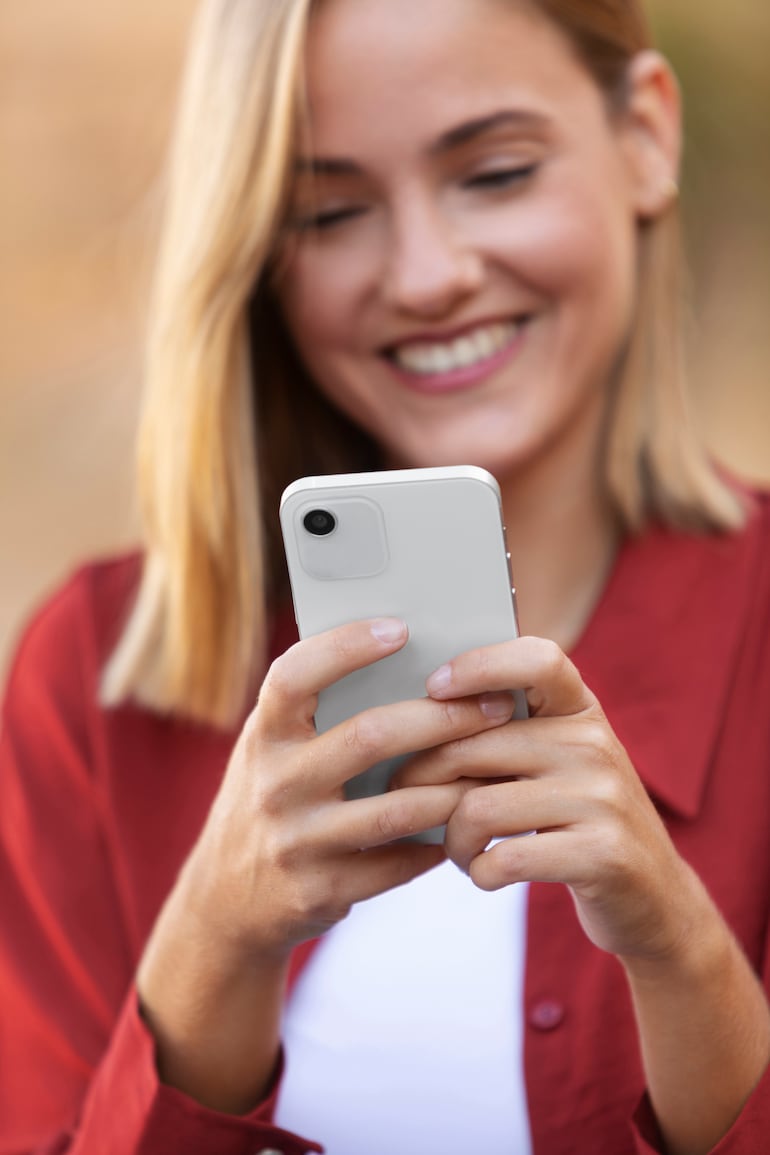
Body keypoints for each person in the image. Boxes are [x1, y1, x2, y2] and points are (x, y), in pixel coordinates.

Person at [1, 0, 769, 1151]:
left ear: (645, 137)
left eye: (495, 173)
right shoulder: (97, 680)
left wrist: (678, 952)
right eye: (331, 210)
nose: (423, 276)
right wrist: (213, 946)